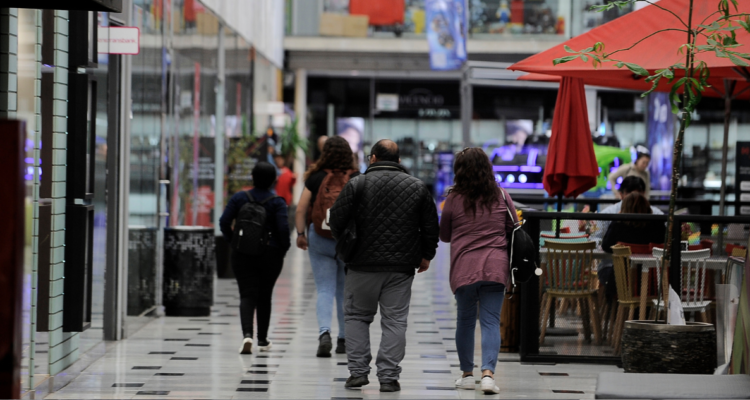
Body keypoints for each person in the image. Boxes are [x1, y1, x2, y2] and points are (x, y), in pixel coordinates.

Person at [329, 139, 440, 393]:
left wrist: (347, 245)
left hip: (361, 264)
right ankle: (388, 377)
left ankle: (358, 373)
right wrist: (426, 255)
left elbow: (336, 219)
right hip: (400, 267)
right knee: (395, 321)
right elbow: (431, 226)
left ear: (373, 159)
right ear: (400, 161)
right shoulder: (417, 187)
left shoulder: (357, 183)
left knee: (357, 316)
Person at [438, 148, 517, 395]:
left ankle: (466, 375)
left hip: (464, 267)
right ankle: (488, 376)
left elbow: (445, 235)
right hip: (496, 265)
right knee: (491, 321)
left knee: (465, 320)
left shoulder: (453, 199)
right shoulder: (501, 195)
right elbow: (513, 226)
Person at [295, 136, 358, 357]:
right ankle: (343, 339)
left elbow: (301, 209)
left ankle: (324, 333)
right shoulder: (356, 178)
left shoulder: (316, 178)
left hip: (320, 237)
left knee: (324, 289)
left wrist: (301, 234)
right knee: (344, 290)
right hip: (347, 241)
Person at [219, 161, 290, 354]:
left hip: (242, 253)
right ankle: (263, 339)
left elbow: (224, 221)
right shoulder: (277, 202)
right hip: (270, 254)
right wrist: (283, 249)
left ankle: (247, 335)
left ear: (252, 177)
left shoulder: (239, 198)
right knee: (265, 295)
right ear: (274, 180)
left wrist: (233, 241)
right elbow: (284, 229)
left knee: (247, 294)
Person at [602, 192, 666, 253]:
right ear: (647, 207)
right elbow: (666, 246)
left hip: (624, 263)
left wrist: (617, 218)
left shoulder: (617, 226)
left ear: (624, 208)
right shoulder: (658, 226)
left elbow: (606, 246)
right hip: (652, 264)